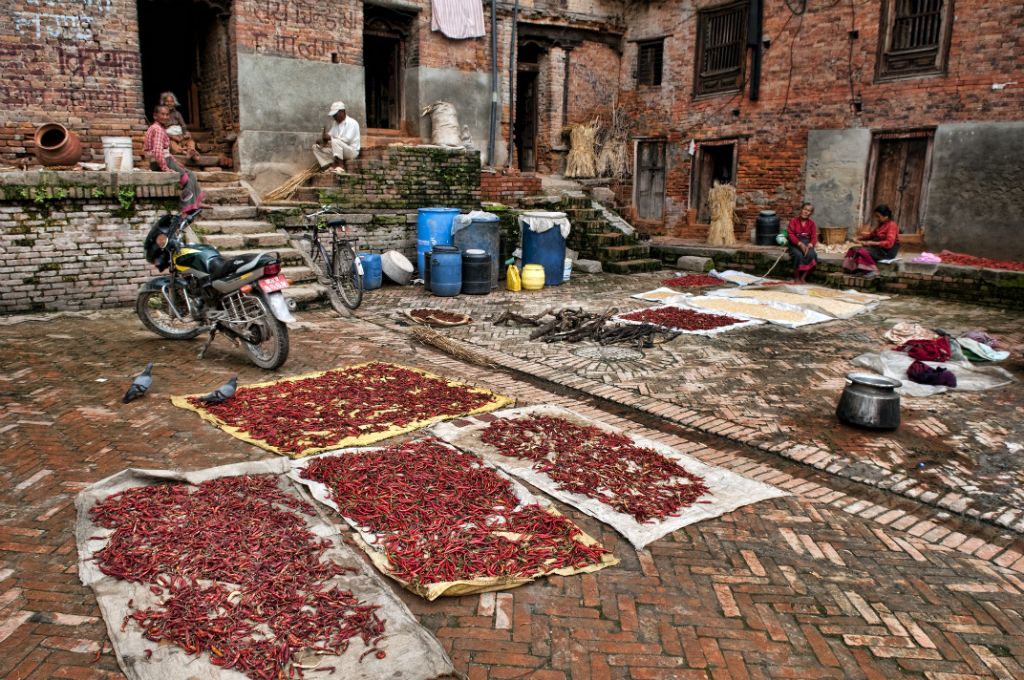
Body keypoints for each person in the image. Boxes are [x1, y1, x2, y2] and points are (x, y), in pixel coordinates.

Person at [144, 104, 204, 214]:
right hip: (161, 162)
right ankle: (186, 208)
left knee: (191, 174)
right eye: (162, 114)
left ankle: (195, 202)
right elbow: (158, 152)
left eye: (167, 114)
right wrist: (165, 168)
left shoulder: (158, 128)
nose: (166, 117)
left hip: (166, 160)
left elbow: (165, 151)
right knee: (187, 179)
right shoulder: (157, 129)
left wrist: (176, 162)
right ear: (155, 116)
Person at [842, 204, 900, 278]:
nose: (877, 219)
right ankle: (852, 269)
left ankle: (873, 270)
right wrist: (859, 238)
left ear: (886, 216)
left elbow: (889, 244)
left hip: (887, 252)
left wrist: (872, 243)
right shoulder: (881, 225)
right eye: (876, 216)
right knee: (853, 249)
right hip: (878, 249)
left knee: (862, 251)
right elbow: (871, 235)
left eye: (878, 216)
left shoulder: (892, 225)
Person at [313, 101, 360, 174]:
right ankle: (331, 166)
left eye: (335, 115)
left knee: (335, 140)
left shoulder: (352, 123)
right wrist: (322, 139)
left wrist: (330, 138)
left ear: (342, 112)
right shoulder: (335, 124)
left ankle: (340, 167)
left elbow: (347, 140)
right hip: (339, 150)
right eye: (333, 115)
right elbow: (330, 135)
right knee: (315, 147)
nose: (334, 117)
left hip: (351, 152)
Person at [159, 92, 200, 163]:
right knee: (172, 145)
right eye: (167, 101)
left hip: (180, 134)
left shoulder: (177, 114)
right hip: (169, 136)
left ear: (174, 103)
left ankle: (191, 151)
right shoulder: (161, 114)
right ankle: (185, 152)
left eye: (171, 101)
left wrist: (184, 134)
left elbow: (183, 125)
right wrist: (171, 136)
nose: (169, 103)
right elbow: (160, 129)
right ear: (163, 103)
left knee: (190, 141)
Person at [787, 202, 818, 283]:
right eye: (804, 209)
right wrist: (799, 244)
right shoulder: (793, 221)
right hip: (795, 244)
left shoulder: (812, 224)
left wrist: (810, 244)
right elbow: (791, 235)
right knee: (798, 255)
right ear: (801, 210)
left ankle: (803, 277)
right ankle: (797, 277)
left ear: (811, 213)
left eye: (809, 211)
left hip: (807, 243)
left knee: (812, 255)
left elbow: (814, 237)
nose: (806, 212)